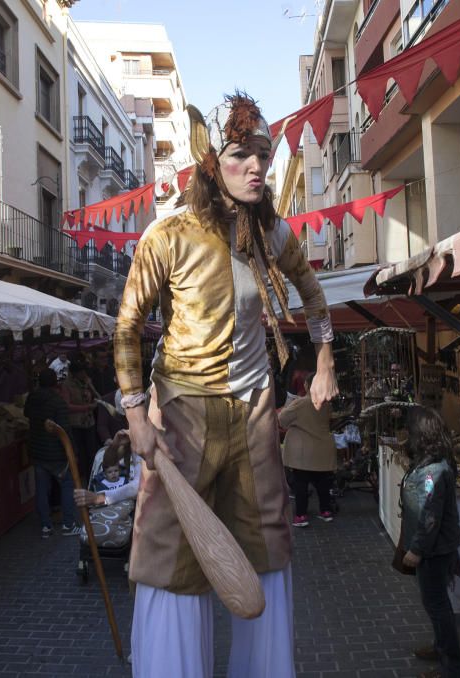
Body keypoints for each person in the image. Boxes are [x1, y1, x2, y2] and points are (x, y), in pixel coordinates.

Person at [113, 92, 338, 678]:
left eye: (264, 153)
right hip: (183, 412)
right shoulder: (168, 235)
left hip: (257, 411)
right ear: (211, 161)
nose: (259, 166)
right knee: (171, 556)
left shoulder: (274, 235)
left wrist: (326, 361)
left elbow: (314, 299)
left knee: (267, 545)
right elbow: (129, 324)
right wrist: (137, 414)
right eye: (242, 154)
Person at [400, 406, 460, 678]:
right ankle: (441, 648)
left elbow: (430, 516)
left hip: (434, 550)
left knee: (437, 606)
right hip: (434, 547)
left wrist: (416, 550)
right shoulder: (430, 464)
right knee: (435, 604)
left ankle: (452, 668)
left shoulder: (434, 471)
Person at [24, 368, 79, 538]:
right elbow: (65, 430)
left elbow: (26, 414)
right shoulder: (58, 402)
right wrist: (72, 452)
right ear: (55, 382)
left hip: (38, 451)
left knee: (41, 489)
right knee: (67, 485)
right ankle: (68, 525)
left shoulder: (32, 399)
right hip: (56, 454)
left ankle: (46, 526)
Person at [280, 374, 337, 527]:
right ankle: (326, 511)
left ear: (307, 385)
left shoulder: (300, 403)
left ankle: (301, 515)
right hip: (323, 449)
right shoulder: (326, 404)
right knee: (322, 483)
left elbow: (282, 419)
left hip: (303, 453)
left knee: (301, 485)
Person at [60, 351, 101, 483]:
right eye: (81, 372)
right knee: (81, 452)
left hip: (89, 422)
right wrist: (86, 408)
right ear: (74, 373)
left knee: (92, 450)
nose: (83, 374)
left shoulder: (86, 382)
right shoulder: (67, 385)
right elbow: (67, 406)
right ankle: (83, 478)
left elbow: (98, 398)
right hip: (76, 423)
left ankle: (93, 475)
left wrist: (90, 385)